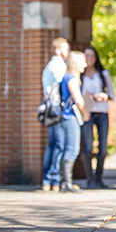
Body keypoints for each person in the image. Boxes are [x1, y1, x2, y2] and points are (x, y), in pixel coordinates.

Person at [81, 47, 115, 188]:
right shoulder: (80, 75)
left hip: (102, 112)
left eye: (92, 55)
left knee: (102, 147)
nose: (90, 58)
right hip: (87, 112)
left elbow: (112, 94)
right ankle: (90, 180)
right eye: (87, 56)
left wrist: (104, 96)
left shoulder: (103, 74)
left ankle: (99, 177)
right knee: (88, 146)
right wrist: (88, 97)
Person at [56, 51, 90, 193]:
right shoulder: (72, 79)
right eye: (83, 61)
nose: (86, 64)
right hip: (70, 117)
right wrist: (86, 114)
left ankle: (65, 182)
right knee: (72, 149)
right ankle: (66, 183)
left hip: (65, 118)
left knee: (68, 148)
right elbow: (78, 100)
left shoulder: (67, 77)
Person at [41, 37, 70, 192]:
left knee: (52, 145)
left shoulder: (48, 66)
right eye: (66, 49)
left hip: (50, 109)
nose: (68, 52)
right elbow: (62, 87)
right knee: (59, 145)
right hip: (57, 109)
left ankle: (48, 179)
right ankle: (54, 179)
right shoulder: (59, 65)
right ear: (58, 50)